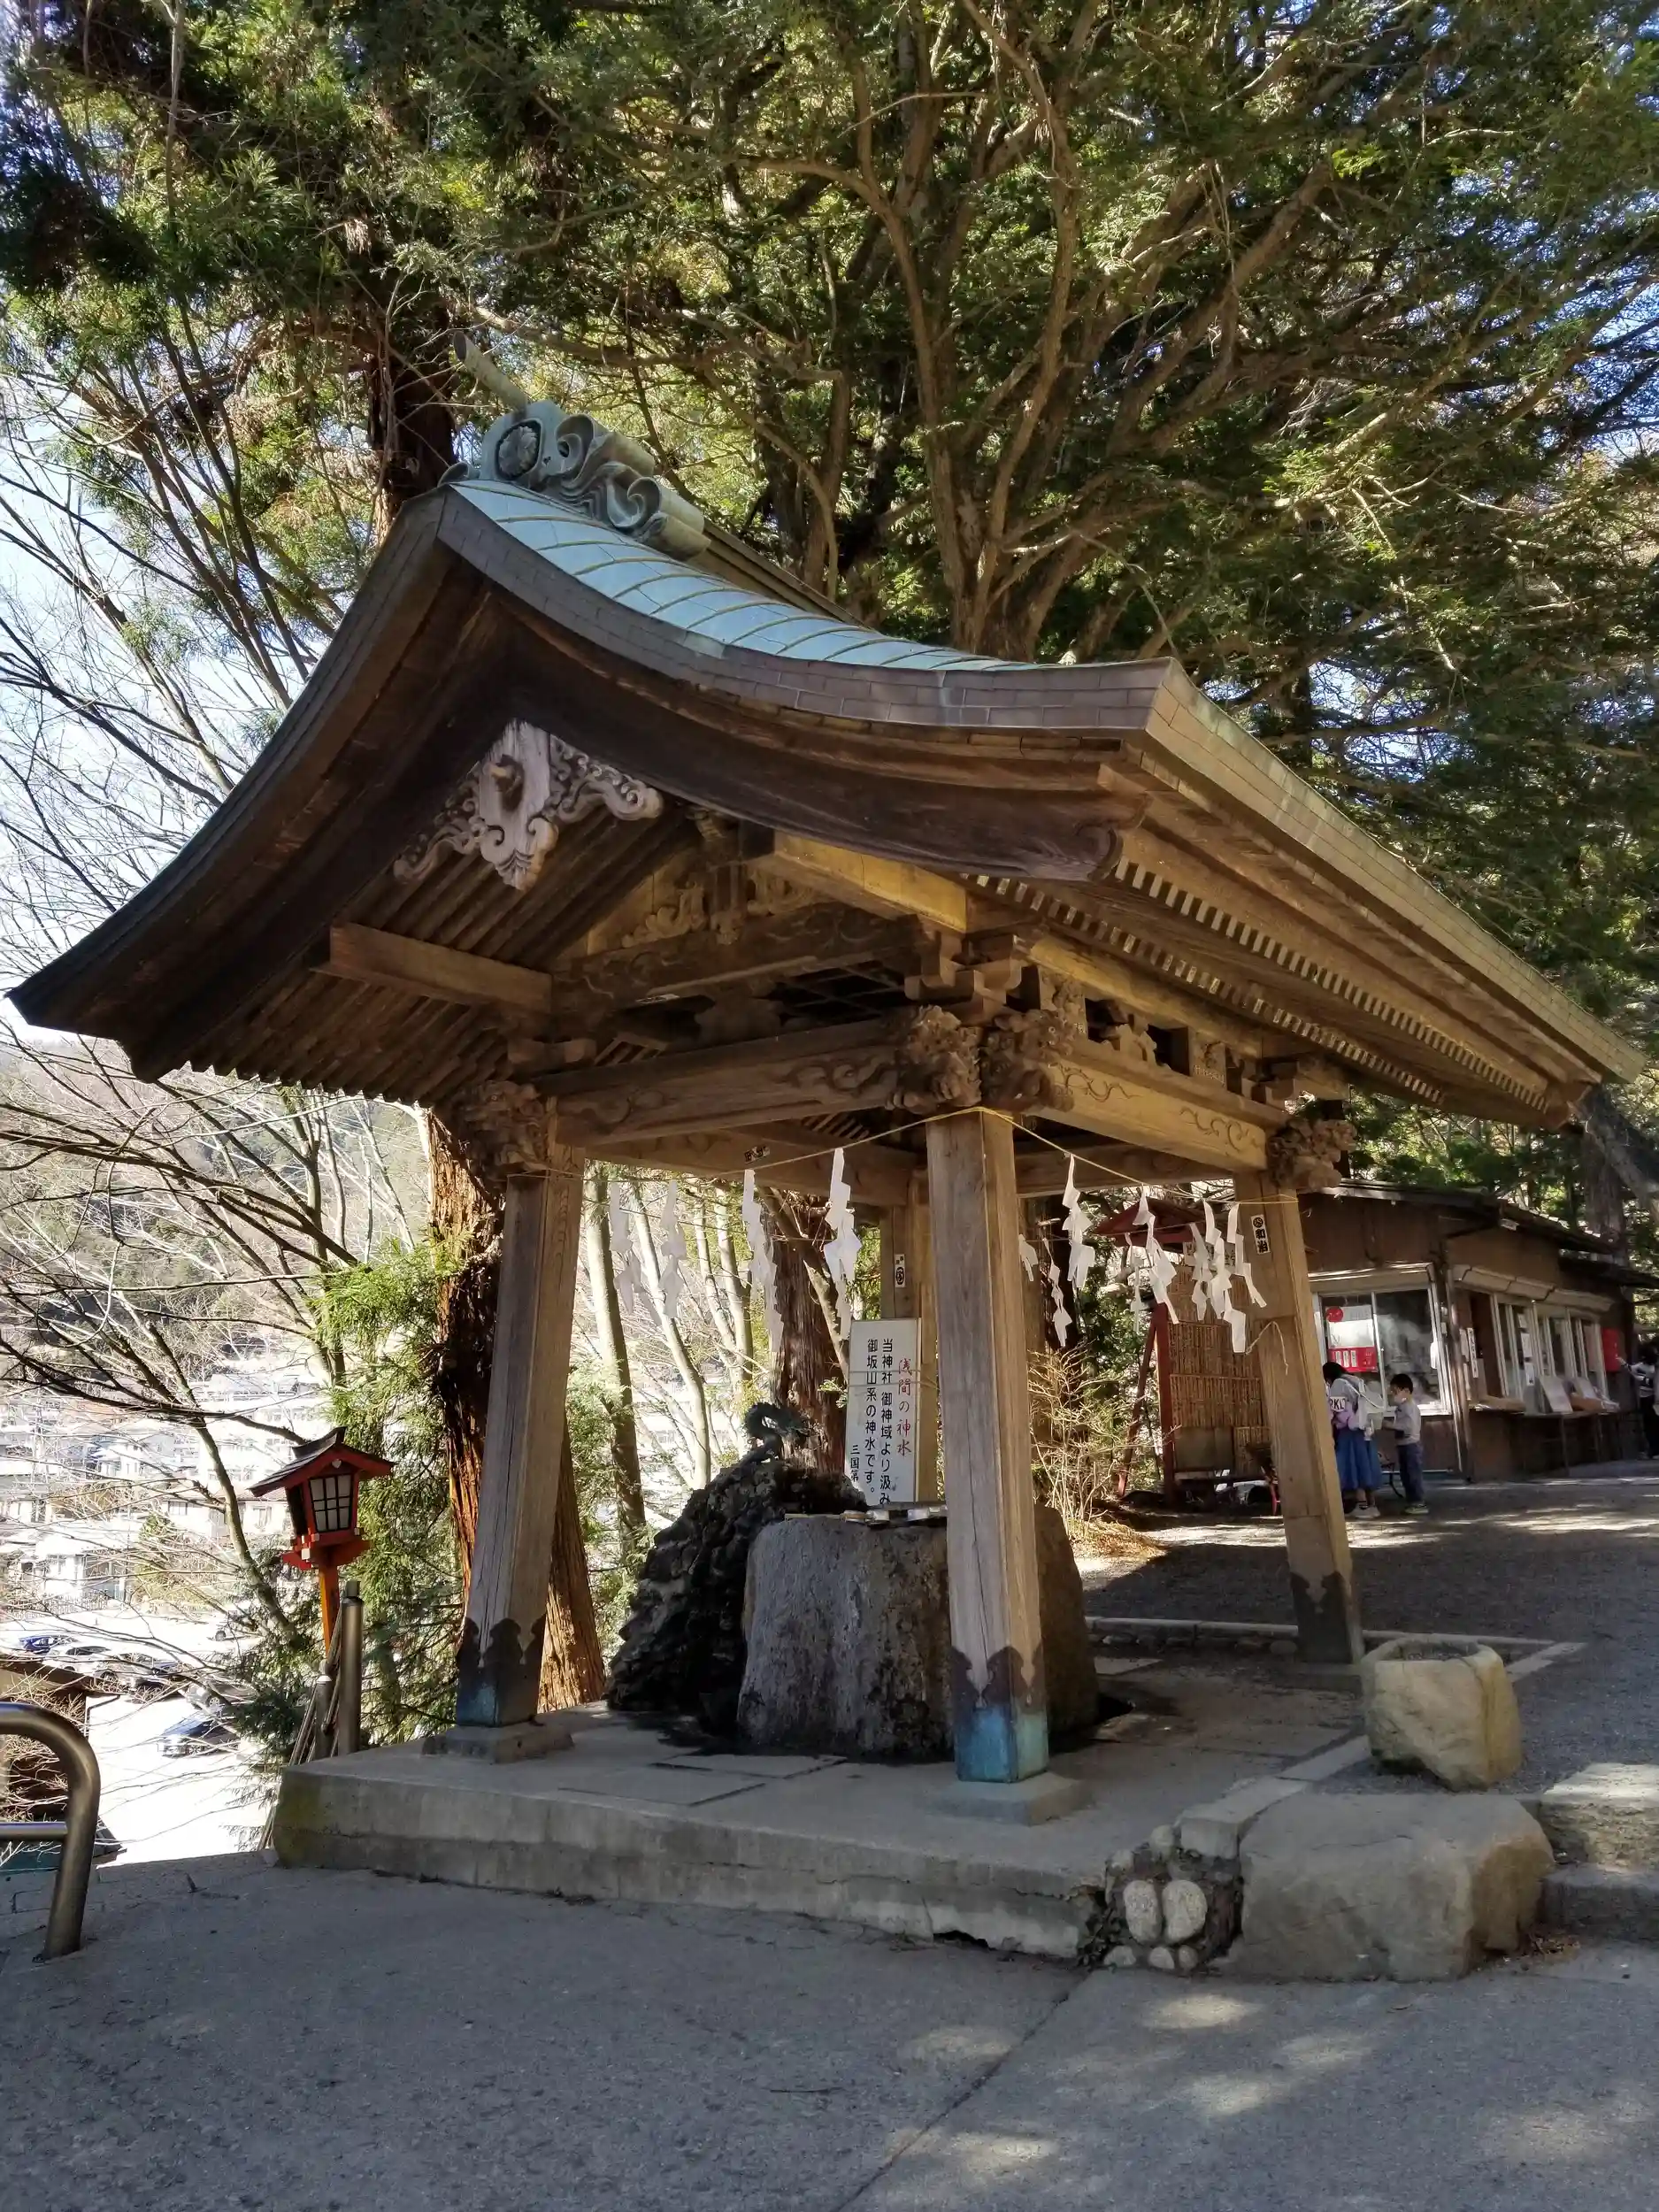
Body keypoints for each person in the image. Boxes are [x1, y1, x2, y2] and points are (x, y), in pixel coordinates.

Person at [1323, 1360, 1379, 1518]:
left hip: (1349, 1432)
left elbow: (1335, 1410)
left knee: (1355, 1467)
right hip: (1365, 1431)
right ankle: (1372, 1505)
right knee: (1366, 1467)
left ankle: (1362, 1506)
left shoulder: (1338, 1385)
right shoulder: (1356, 1380)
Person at [1388, 1372, 1428, 1516]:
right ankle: (1412, 1501)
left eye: (1395, 1391)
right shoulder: (1403, 1406)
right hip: (1404, 1445)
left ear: (1406, 1391)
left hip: (1411, 1445)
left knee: (1413, 1475)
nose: (1393, 1395)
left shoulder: (1409, 1407)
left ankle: (1418, 1502)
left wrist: (1390, 1426)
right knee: (1406, 1475)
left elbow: (1408, 1427)